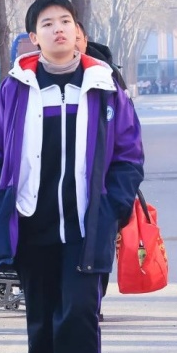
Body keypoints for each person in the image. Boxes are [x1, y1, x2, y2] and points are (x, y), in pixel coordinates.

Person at [0, 0, 143, 353]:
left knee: (80, 316)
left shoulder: (104, 86)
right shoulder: (15, 90)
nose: (58, 29)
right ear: (35, 37)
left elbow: (128, 154)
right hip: (33, 226)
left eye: (65, 21)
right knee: (43, 322)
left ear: (78, 32)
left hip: (87, 228)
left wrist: (115, 204)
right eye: (47, 24)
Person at [74, 21, 130, 321]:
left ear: (84, 39)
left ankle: (94, 301)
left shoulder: (107, 76)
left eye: (76, 36)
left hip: (104, 185)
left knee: (100, 243)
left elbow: (128, 134)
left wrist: (120, 195)